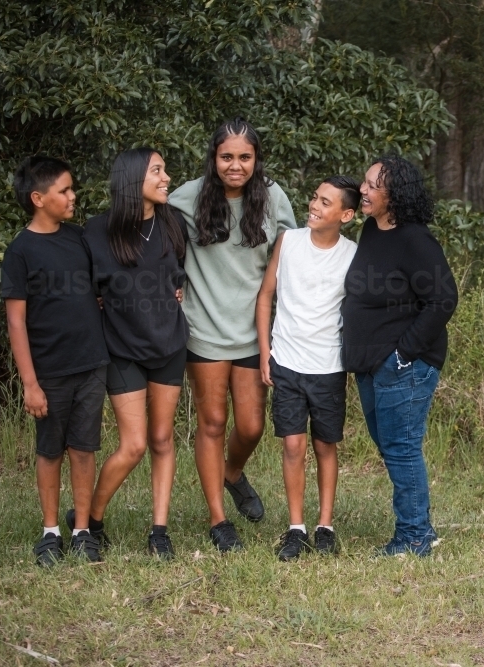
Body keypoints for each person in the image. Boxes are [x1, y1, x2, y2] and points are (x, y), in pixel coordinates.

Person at [169, 118, 297, 552]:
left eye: (244, 157)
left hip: (252, 331)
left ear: (256, 159)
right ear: (214, 158)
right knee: (212, 422)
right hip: (203, 329)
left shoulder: (274, 198)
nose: (235, 165)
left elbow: (291, 260)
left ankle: (232, 473)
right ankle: (219, 520)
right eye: (227, 157)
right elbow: (151, 241)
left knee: (251, 425)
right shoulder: (185, 198)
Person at [75, 148, 189, 560]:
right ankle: (90, 519)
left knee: (162, 438)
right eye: (157, 171)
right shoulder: (95, 232)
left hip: (169, 345)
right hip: (122, 349)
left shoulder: (172, 223)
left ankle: (159, 530)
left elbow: (178, 274)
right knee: (134, 444)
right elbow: (84, 289)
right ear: (132, 179)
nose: (166, 177)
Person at [342, 155, 458, 557]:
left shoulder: (415, 240)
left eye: (373, 184)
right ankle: (420, 526)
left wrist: (403, 354)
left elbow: (443, 299)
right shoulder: (372, 232)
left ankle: (414, 537)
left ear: (396, 193)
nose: (364, 190)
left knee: (401, 447)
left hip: (403, 366)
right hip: (371, 364)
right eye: (365, 182)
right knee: (391, 444)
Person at [2, 156, 110, 566]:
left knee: (83, 449)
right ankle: (51, 533)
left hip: (91, 364)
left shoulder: (80, 238)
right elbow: (16, 322)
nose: (72, 196)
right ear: (38, 198)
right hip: (49, 372)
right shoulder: (20, 251)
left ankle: (82, 530)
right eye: (64, 190)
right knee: (50, 451)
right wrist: (30, 383)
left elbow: (100, 289)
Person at [256, 176, 359, 560]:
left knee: (324, 445)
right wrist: (266, 351)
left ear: (346, 215)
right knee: (294, 445)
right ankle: (296, 527)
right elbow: (266, 295)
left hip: (329, 366)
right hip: (287, 362)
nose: (315, 205)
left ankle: (325, 525)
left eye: (326, 202)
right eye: (315, 197)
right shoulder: (289, 241)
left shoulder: (352, 255)